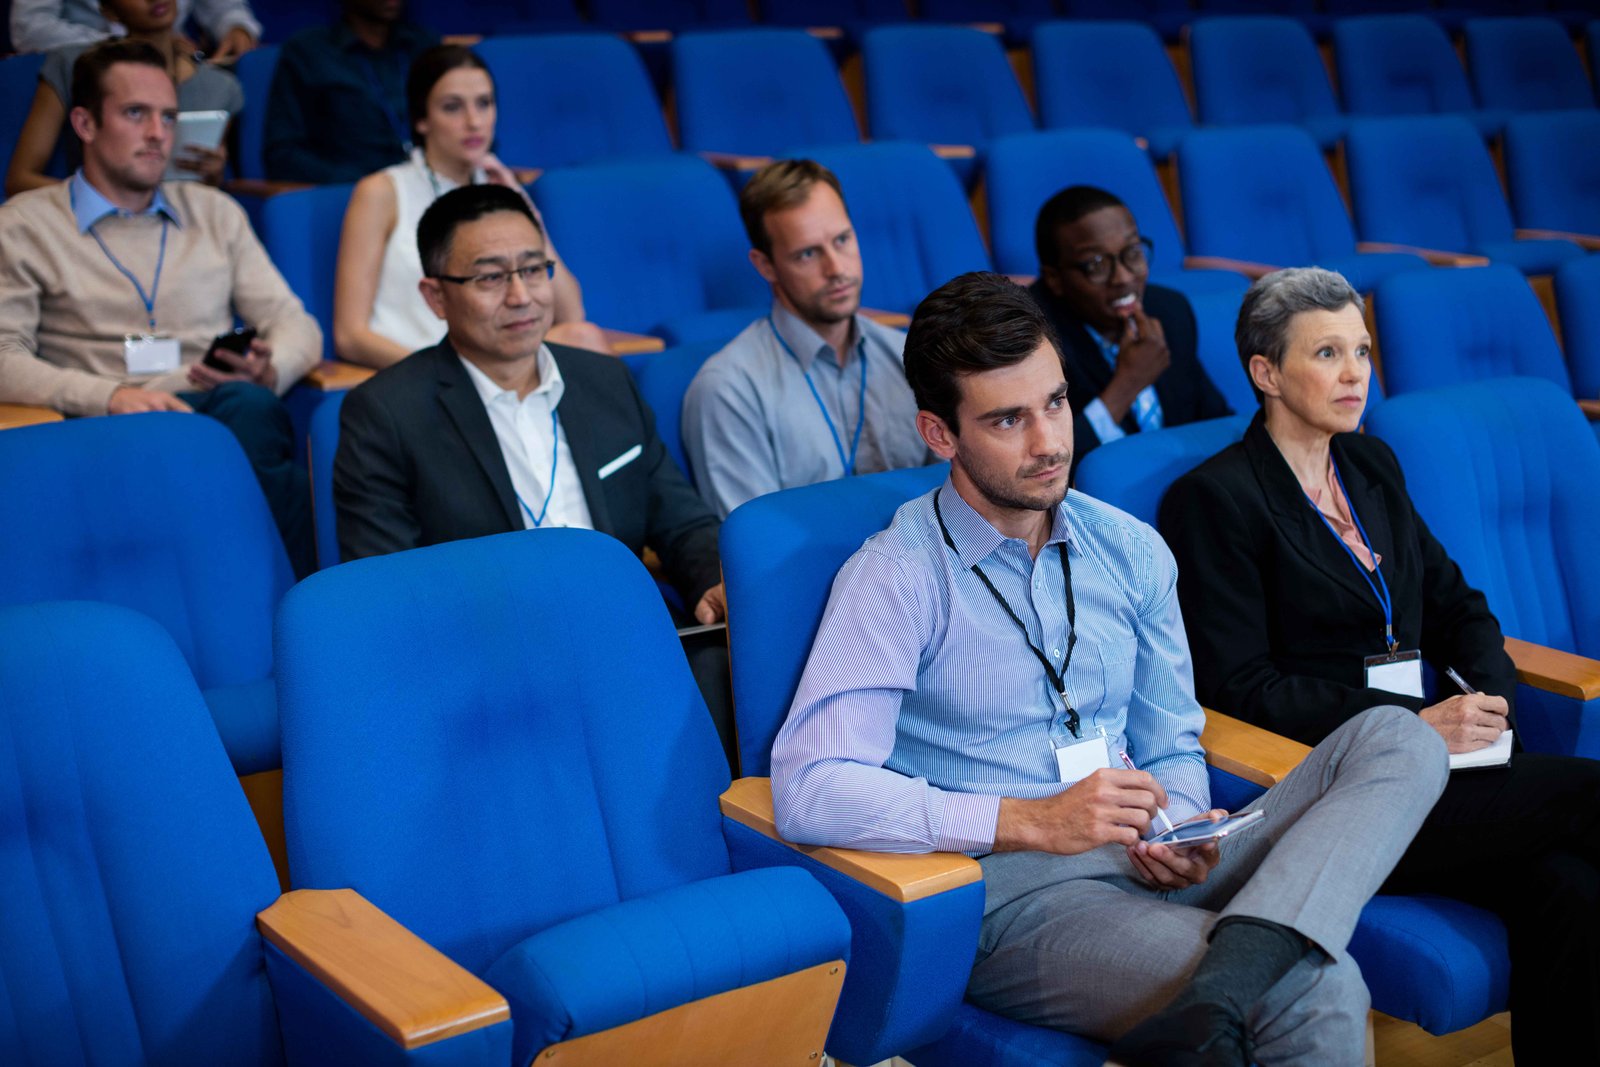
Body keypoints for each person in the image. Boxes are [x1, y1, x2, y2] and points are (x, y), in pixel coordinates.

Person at [771, 271, 1448, 1066]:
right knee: (1318, 987)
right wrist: (1027, 820)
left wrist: (1186, 823)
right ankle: (1251, 974)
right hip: (1024, 893)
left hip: (1156, 853)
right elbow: (809, 785)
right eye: (1008, 420)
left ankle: (1228, 980)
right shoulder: (896, 576)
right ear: (939, 433)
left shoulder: (1127, 547)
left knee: (1400, 740)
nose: (1049, 442)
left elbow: (1172, 738)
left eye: (1055, 403)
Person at [1160, 266, 1600, 1063]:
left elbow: (1458, 603)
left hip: (1458, 761)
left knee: (1570, 890)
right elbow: (1239, 686)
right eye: (1327, 352)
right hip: (1344, 789)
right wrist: (1411, 725)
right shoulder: (1215, 500)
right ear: (1265, 372)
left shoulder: (1370, 467)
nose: (1356, 371)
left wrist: (1491, 703)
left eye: (1360, 349)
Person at [334, 184, 736, 764]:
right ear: (435, 296)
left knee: (727, 667)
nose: (522, 296)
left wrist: (710, 581)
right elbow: (389, 585)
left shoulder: (605, 382)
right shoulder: (385, 415)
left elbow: (678, 517)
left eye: (534, 269)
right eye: (491, 278)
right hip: (496, 660)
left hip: (628, 637)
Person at [0, 39, 321, 576]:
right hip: (102, 433)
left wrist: (272, 369)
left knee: (250, 409)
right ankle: (293, 601)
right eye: (135, 114)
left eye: (169, 117)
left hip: (222, 410)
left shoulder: (216, 213)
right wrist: (110, 396)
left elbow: (296, 323)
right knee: (263, 448)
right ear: (83, 124)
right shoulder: (25, 225)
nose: (158, 135)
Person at [681, 159, 930, 518]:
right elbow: (759, 548)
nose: (837, 269)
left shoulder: (907, 355)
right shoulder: (728, 389)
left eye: (842, 240)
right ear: (765, 265)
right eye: (808, 254)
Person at [331, 44, 599, 370]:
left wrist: (524, 209)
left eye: (484, 104)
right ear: (421, 119)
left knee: (583, 339)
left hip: (494, 362)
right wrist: (452, 374)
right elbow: (350, 334)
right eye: (452, 107)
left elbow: (570, 314)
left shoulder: (500, 188)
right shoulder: (382, 191)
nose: (474, 121)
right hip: (424, 371)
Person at [1028, 185, 1231, 472]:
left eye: (1132, 253)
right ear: (1055, 279)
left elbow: (1215, 422)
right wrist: (1128, 384)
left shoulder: (1169, 311)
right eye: (1096, 264)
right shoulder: (1032, 342)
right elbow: (1045, 461)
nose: (1123, 277)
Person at [7, 0, 242, 197]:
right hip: (87, 226)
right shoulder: (74, 65)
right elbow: (20, 180)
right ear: (107, 10)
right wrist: (108, 200)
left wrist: (212, 176)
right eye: (135, 112)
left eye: (168, 116)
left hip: (177, 228)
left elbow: (204, 190)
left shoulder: (219, 86)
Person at [264, 0, 436, 184]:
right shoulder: (307, 53)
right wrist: (361, 184)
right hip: (348, 192)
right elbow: (283, 154)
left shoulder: (424, 45)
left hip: (426, 184)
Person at [10, 0, 259, 60]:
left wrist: (237, 27)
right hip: (89, 60)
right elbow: (29, 28)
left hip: (176, 58)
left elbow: (225, 8)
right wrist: (130, 43)